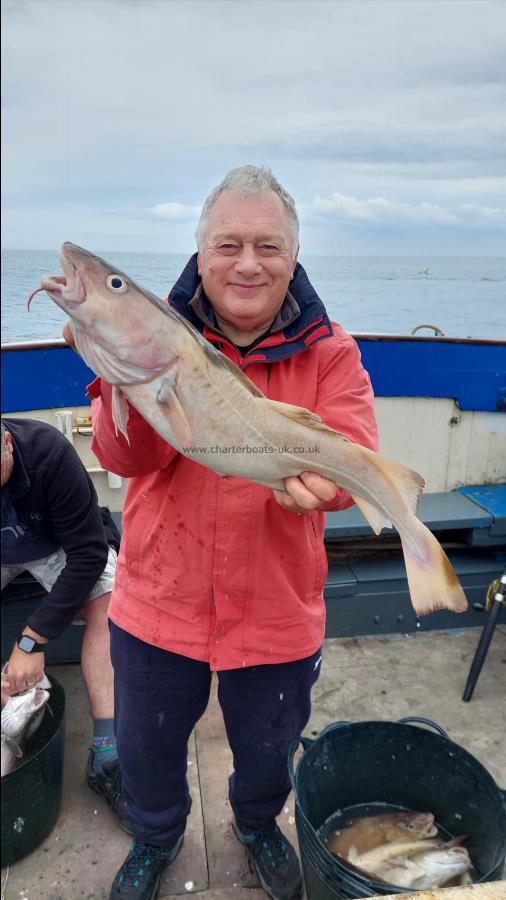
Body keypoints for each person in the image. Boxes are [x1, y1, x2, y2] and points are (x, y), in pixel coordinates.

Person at [73, 165, 379, 900]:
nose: (248, 263)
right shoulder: (153, 339)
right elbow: (123, 456)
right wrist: (124, 374)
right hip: (158, 602)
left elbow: (352, 452)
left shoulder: (330, 352)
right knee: (146, 749)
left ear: (294, 256)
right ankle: (155, 834)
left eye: (268, 246)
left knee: (269, 749)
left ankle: (255, 824)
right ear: (201, 253)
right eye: (229, 244)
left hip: (274, 610)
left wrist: (325, 487)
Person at [0, 417, 130, 833]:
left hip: (55, 543)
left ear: (7, 442)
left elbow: (89, 553)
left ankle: (107, 755)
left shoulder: (48, 452)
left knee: (110, 605)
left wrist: (31, 640)